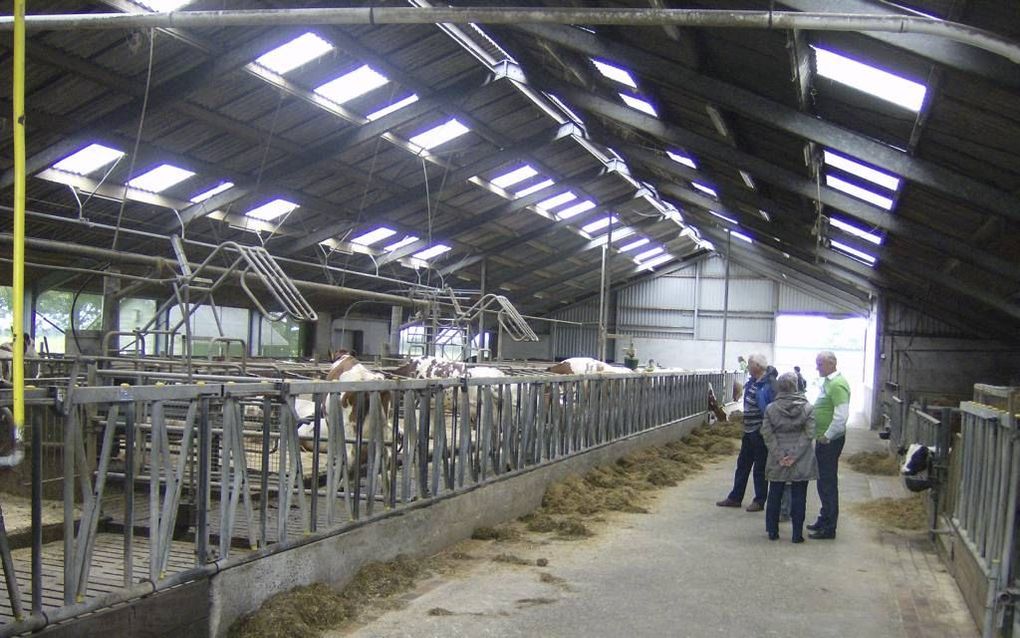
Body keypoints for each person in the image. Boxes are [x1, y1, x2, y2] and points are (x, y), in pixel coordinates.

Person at [761, 373, 818, 543]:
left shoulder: (771, 408)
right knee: (800, 495)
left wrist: (780, 455)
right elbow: (809, 434)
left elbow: (767, 433)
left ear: (779, 387)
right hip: (801, 458)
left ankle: (772, 531)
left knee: (775, 493)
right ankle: (796, 534)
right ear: (796, 386)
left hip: (777, 457)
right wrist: (794, 456)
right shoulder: (808, 408)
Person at [717, 353, 776, 512]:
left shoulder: (769, 384)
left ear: (757, 366)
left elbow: (772, 407)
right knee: (742, 464)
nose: (748, 367)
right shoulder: (752, 382)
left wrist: (767, 427)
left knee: (760, 467)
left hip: (760, 430)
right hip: (748, 429)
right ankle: (735, 497)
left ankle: (759, 500)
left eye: (750, 365)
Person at [807, 351, 850, 540]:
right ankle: (824, 519)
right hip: (825, 438)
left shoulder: (838, 385)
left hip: (830, 441)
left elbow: (841, 416)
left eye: (820, 364)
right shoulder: (828, 383)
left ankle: (829, 527)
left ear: (831, 364)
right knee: (823, 482)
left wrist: (827, 436)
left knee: (828, 483)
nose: (817, 367)